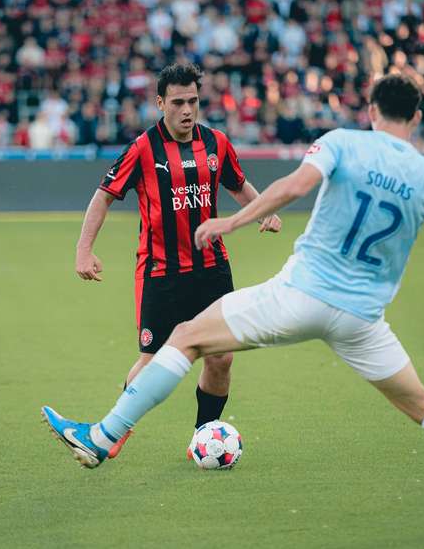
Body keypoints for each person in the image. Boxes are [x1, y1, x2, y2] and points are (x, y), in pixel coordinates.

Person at [42, 75, 424, 511]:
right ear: (417, 115)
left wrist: (234, 220)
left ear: (370, 111)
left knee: (188, 338)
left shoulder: (343, 141)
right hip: (362, 318)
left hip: (300, 296)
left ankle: (103, 437)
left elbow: (295, 185)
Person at [72, 63, 281, 459]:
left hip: (211, 269)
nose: (187, 110)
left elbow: (237, 184)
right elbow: (103, 195)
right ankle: (112, 433)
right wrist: (84, 249)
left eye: (193, 101)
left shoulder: (217, 142)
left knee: (221, 357)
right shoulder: (142, 149)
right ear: (160, 103)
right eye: (178, 102)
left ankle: (205, 436)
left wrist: (261, 210)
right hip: (161, 272)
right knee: (152, 361)